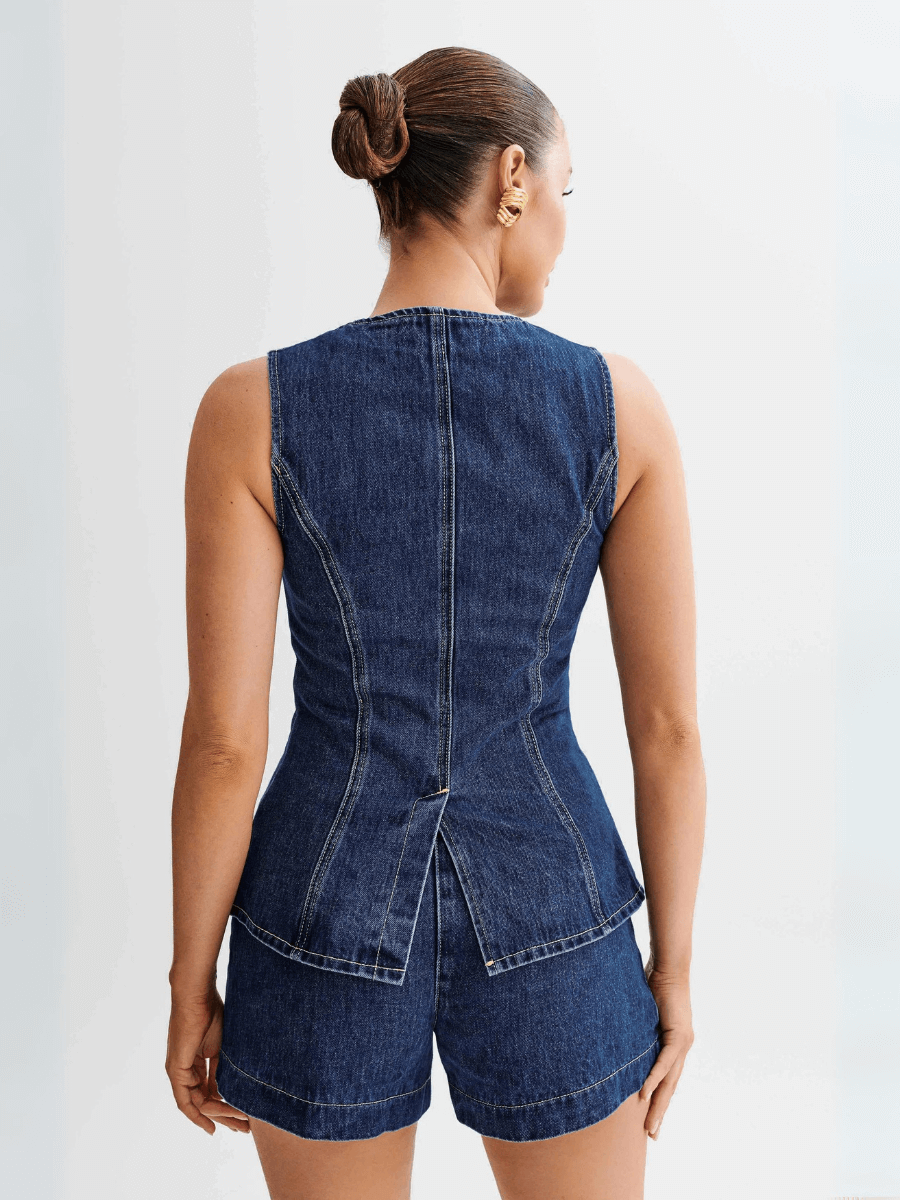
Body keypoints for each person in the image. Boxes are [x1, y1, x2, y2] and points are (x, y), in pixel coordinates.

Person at [165, 45, 706, 1200]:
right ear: (512, 178)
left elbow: (222, 745)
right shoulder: (621, 408)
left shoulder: (248, 410)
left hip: (317, 912)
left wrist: (189, 981)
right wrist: (674, 970)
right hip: (556, 904)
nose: (563, 222)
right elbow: (666, 731)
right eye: (564, 188)